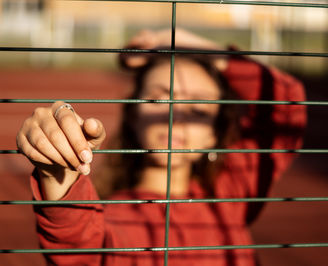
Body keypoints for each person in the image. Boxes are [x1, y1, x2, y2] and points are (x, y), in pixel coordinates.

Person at [16, 29, 306, 266]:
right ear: (133, 115)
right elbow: (81, 250)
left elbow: (287, 105)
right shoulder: (112, 219)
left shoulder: (230, 196)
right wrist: (61, 171)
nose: (176, 115)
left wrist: (185, 42)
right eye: (159, 100)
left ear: (215, 135)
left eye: (198, 107)